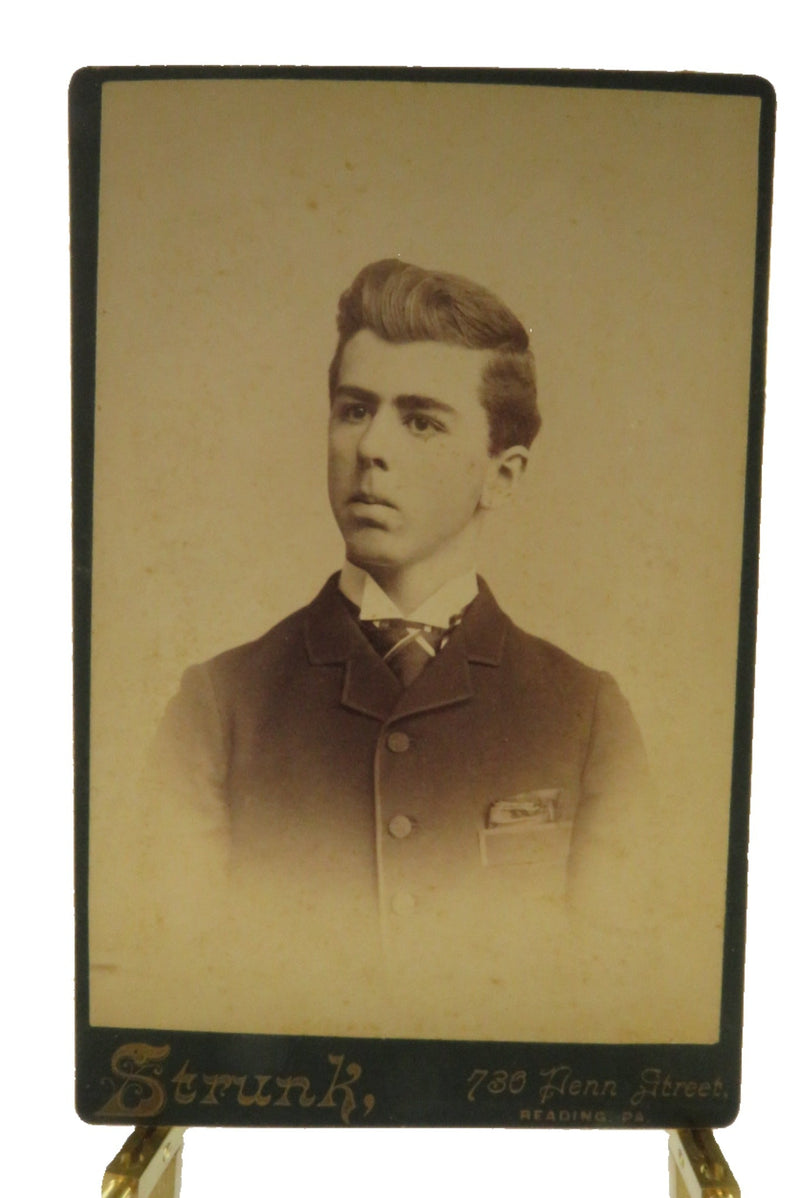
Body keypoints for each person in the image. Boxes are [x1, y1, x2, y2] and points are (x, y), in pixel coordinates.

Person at [148, 259, 652, 1039]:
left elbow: (618, 997)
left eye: (421, 420)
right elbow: (179, 989)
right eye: (354, 410)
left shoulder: (586, 715)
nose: (371, 446)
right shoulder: (219, 704)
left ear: (503, 476)